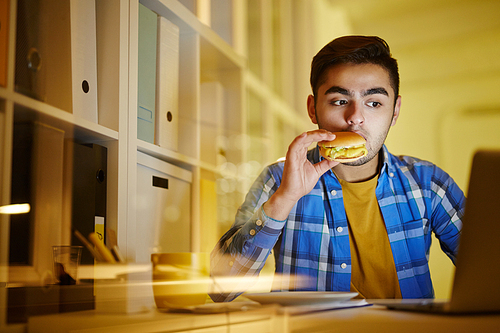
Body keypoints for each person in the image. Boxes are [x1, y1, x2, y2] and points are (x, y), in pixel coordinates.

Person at [210, 35, 465, 302]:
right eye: (339, 101)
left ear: (395, 111)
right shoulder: (278, 179)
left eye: (374, 102)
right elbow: (221, 290)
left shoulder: (428, 183)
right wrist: (284, 199)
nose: (355, 117)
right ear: (313, 109)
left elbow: (489, 267)